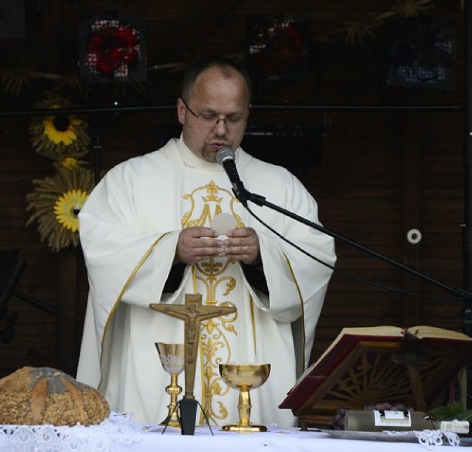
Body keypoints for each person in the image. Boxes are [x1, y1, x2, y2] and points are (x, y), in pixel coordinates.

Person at [76, 58, 336, 427]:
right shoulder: (130, 181)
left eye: (233, 118)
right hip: (154, 370)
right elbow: (102, 251)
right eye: (208, 115)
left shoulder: (279, 186)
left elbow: (317, 257)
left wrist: (264, 257)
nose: (220, 130)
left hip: (251, 377)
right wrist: (170, 252)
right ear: (182, 111)